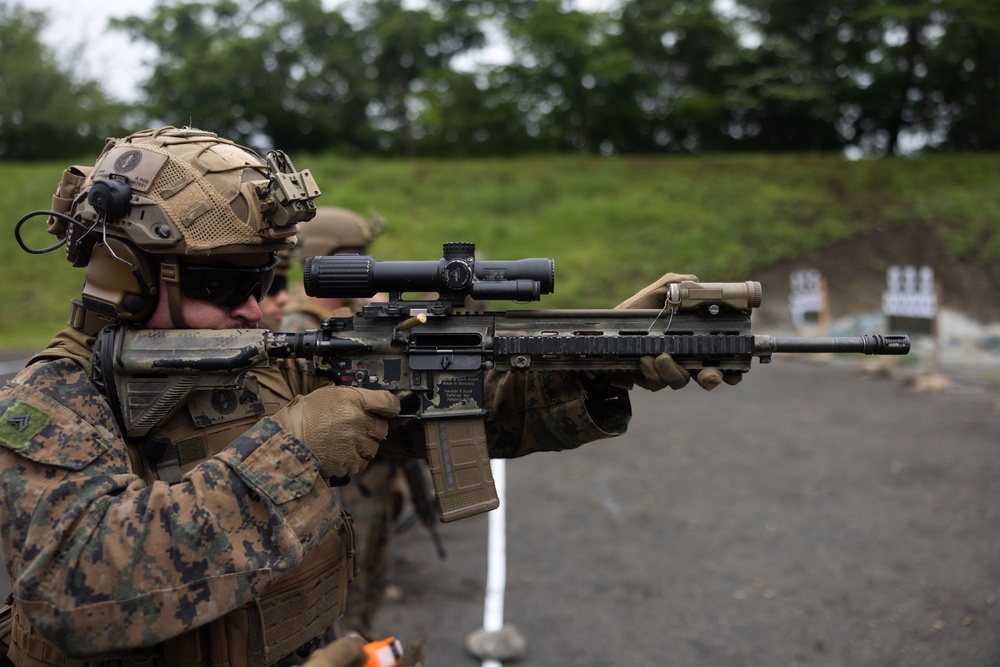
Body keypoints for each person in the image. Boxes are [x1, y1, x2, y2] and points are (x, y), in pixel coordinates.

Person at [0, 126, 733, 667]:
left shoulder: (264, 364)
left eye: (263, 282)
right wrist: (294, 451)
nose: (258, 308)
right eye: (224, 285)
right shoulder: (56, 403)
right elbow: (74, 589)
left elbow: (463, 404)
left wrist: (604, 353)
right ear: (124, 276)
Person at [281, 207, 399, 639]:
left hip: (373, 480)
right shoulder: (301, 326)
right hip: (337, 493)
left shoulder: (352, 316)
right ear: (320, 258)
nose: (367, 266)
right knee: (342, 605)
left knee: (371, 591)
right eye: (353, 255)